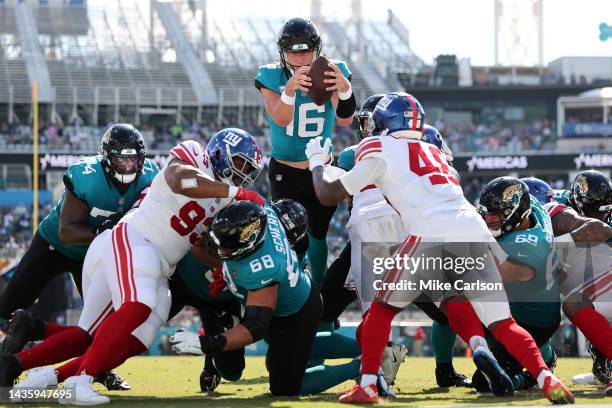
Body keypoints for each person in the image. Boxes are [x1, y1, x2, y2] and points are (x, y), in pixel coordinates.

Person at [306, 91, 574, 404]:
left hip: (429, 230)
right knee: (503, 323)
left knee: (380, 309)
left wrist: (315, 163)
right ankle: (546, 376)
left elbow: (327, 194)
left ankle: (367, 386)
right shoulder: (434, 153)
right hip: (472, 230)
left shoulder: (376, 145)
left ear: (384, 120)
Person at [0, 130, 265, 405]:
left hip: (161, 263)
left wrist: (222, 269)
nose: (244, 174)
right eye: (242, 163)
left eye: (250, 170)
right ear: (221, 153)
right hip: (134, 238)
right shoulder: (196, 155)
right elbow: (178, 179)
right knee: (140, 303)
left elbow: (197, 246)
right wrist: (235, 192)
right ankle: (81, 381)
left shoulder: (224, 199)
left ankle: (30, 373)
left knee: (119, 337)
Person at [0, 123, 158, 390]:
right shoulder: (87, 175)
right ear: (108, 158)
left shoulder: (150, 176)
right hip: (56, 245)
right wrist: (103, 229)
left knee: (103, 325)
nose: (129, 167)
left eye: (134, 160)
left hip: (96, 254)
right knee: (8, 306)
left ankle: (99, 369)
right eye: (122, 159)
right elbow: (67, 232)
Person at [255, 17, 356, 287]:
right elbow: (281, 118)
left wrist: (344, 90)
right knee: (287, 235)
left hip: (321, 168)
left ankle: (318, 295)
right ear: (282, 53)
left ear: (316, 49)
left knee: (318, 235)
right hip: (285, 170)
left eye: (305, 51)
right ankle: (294, 292)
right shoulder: (271, 75)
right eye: (293, 51)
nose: (299, 58)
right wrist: (289, 91)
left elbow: (346, 119)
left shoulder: (333, 70)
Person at [539, 171, 612, 396]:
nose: (602, 216)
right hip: (585, 280)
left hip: (595, 278)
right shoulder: (553, 208)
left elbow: (601, 230)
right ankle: (604, 368)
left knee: (577, 301)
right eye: (596, 211)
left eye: (607, 211)